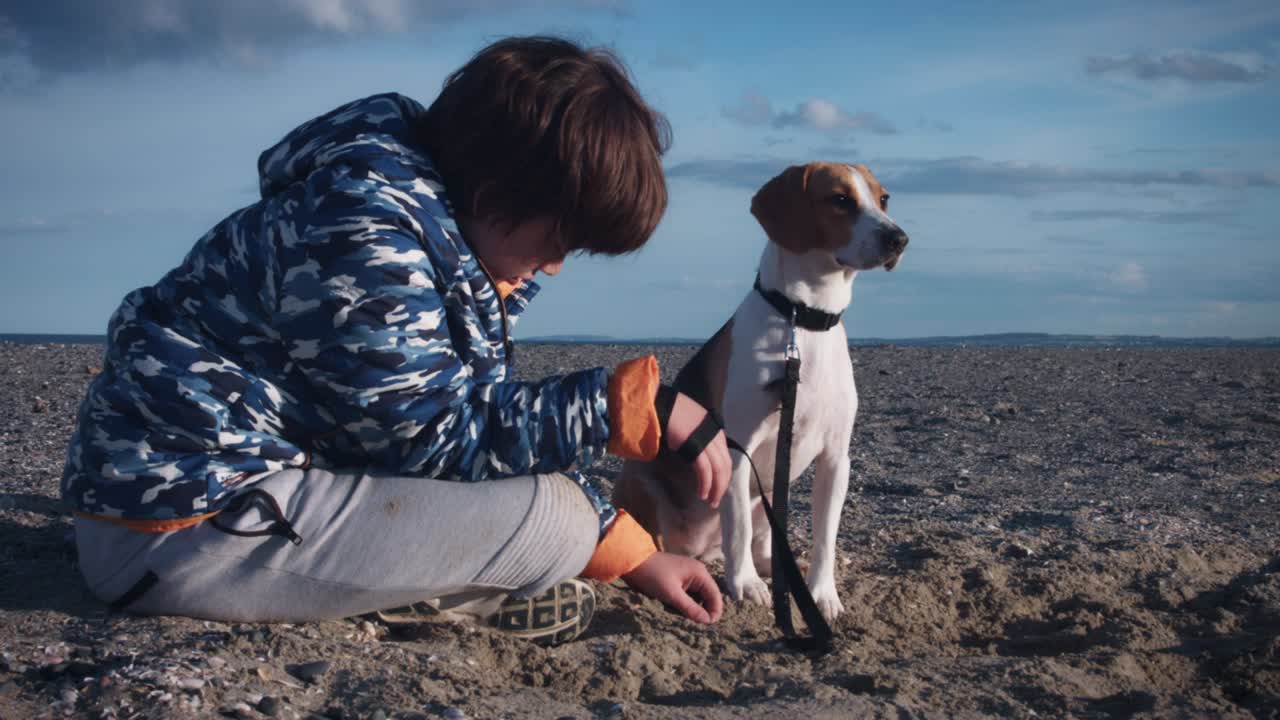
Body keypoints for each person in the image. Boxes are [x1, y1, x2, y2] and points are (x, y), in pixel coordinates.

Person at [61, 35, 729, 645]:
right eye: (558, 240)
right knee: (555, 523)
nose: (554, 266)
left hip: (212, 501)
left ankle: (441, 577)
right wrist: (629, 410)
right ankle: (437, 593)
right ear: (498, 197)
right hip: (176, 535)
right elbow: (428, 440)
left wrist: (635, 553)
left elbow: (466, 427)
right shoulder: (366, 235)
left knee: (558, 510)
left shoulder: (421, 224)